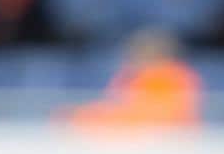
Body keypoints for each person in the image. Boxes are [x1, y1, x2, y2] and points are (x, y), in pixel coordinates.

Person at [63, 29, 201, 131]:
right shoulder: (130, 76)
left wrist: (87, 117)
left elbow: (154, 119)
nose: (134, 58)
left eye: (144, 52)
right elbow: (116, 107)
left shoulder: (172, 78)